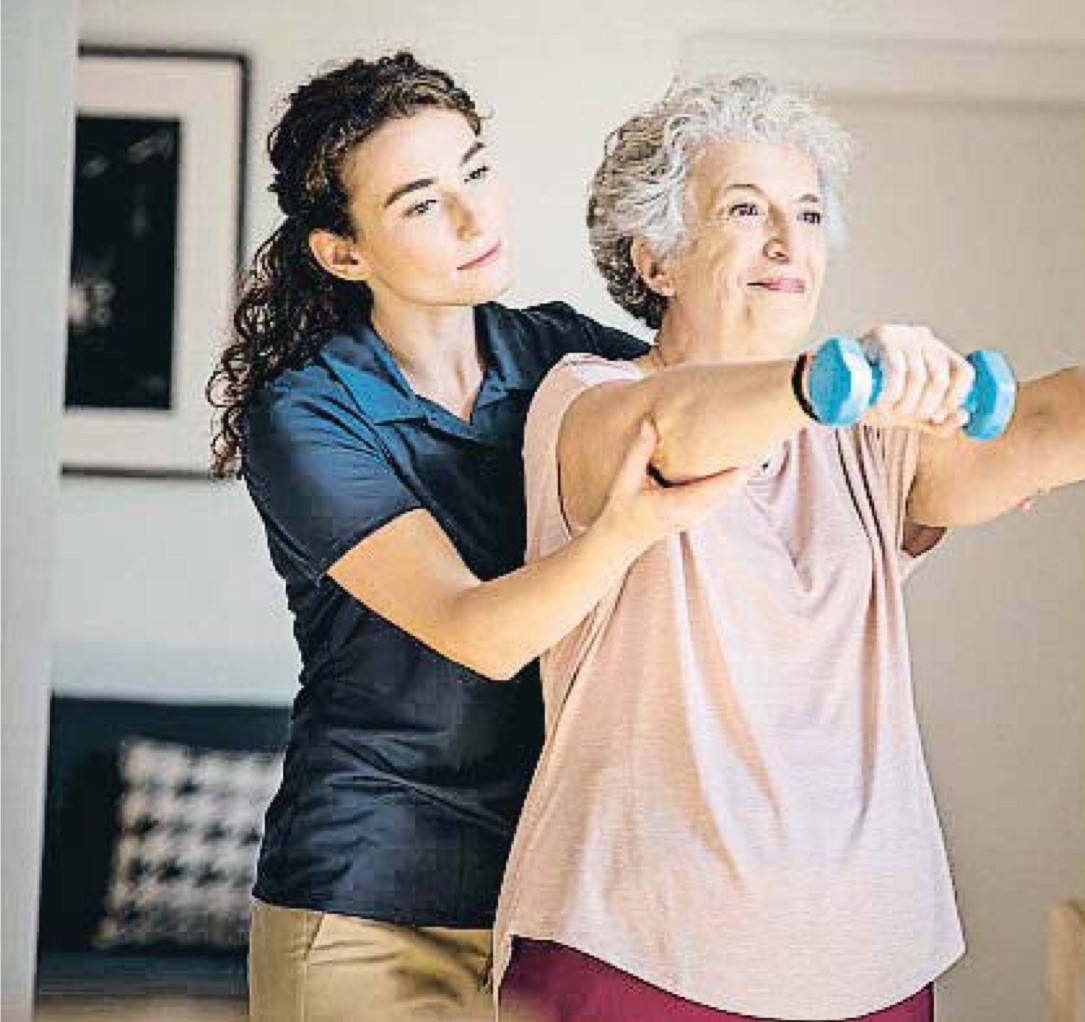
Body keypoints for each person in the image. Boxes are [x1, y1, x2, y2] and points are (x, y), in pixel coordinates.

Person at [490, 74, 1085, 1021]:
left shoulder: (861, 432)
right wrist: (823, 382)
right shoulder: (588, 398)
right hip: (639, 948)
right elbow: (672, 432)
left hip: (870, 960)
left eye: (807, 213)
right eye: (745, 208)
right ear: (656, 260)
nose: (787, 241)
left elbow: (1038, 424)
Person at [207, 52, 741, 1022]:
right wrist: (623, 530)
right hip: (370, 900)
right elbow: (480, 631)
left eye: (477, 172)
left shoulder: (559, 352)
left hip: (549, 895)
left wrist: (892, 480)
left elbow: (713, 422)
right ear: (342, 251)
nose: (473, 217)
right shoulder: (310, 415)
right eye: (420, 203)